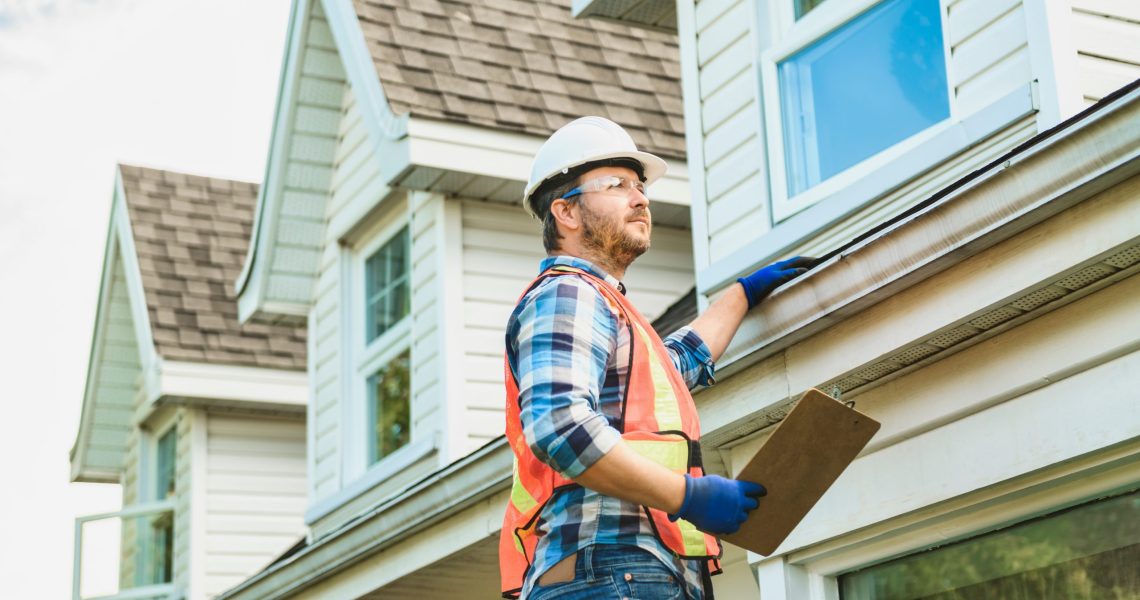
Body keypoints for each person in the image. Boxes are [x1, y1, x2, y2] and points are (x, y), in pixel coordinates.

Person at [499, 116, 815, 600]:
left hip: (627, 571)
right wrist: (689, 496)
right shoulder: (568, 292)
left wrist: (742, 294)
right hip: (611, 566)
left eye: (640, 185)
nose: (641, 197)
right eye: (617, 184)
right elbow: (560, 426)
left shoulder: (609, 307)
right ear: (565, 211)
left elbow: (677, 362)